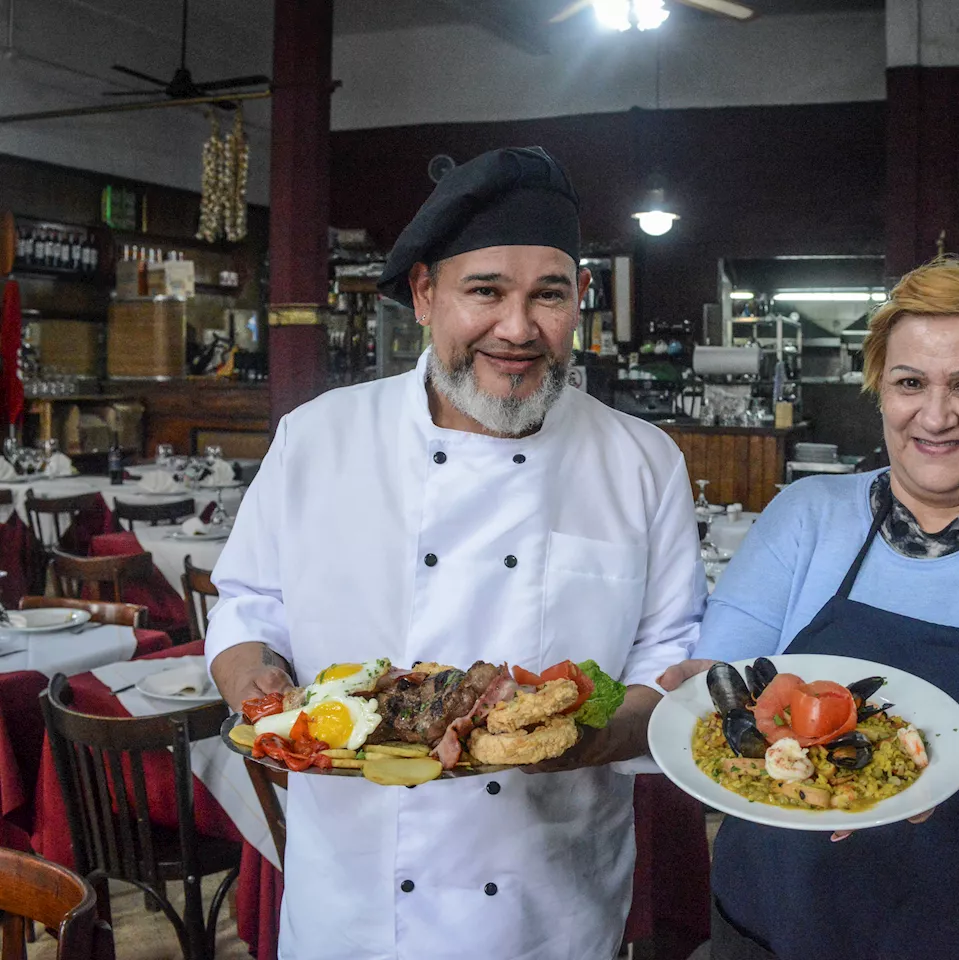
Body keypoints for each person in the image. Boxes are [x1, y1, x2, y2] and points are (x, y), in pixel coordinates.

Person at [207, 146, 704, 960]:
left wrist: (578, 734)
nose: (518, 329)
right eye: (485, 292)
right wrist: (252, 674)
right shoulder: (320, 438)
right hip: (354, 901)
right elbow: (250, 600)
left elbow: (667, 652)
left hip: (552, 903)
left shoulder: (642, 461)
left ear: (581, 301)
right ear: (425, 294)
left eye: (548, 295)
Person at [660, 257, 959, 960]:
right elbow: (730, 687)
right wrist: (693, 698)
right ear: (880, 391)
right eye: (910, 383)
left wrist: (926, 749)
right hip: (770, 926)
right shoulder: (804, 516)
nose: (936, 415)